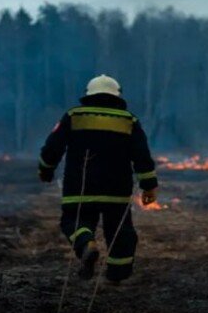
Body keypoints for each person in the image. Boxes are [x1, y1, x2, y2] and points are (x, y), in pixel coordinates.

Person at [38, 74, 158, 283]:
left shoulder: (74, 116)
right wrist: (149, 186)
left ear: (89, 95)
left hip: (80, 187)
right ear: (117, 96)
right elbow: (142, 156)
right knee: (120, 232)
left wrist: (45, 170)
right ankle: (117, 274)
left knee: (74, 221)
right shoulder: (129, 120)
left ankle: (86, 243)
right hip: (117, 191)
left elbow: (52, 147)